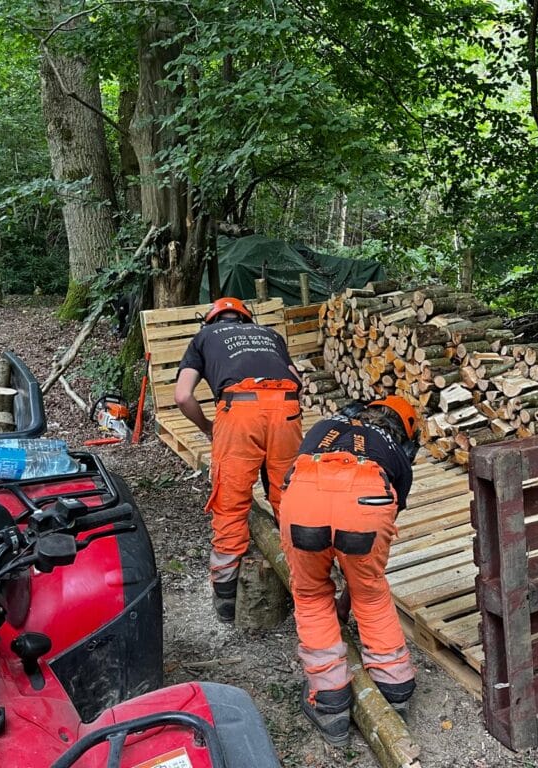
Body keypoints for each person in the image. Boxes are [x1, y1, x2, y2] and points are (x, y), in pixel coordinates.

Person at [278, 395, 420, 746]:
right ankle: (395, 686)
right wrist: (353, 591)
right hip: (368, 501)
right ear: (404, 432)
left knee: (310, 594)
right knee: (370, 591)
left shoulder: (325, 427)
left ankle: (330, 703)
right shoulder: (397, 456)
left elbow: (290, 473)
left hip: (303, 497)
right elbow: (372, 541)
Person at [174, 297, 302, 622]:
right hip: (286, 406)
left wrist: (207, 428)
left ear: (211, 320)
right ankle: (308, 587)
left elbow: (183, 395)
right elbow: (296, 379)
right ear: (246, 319)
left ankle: (227, 601)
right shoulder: (271, 335)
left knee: (230, 501)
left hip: (239, 409)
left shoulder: (202, 339)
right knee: (289, 499)